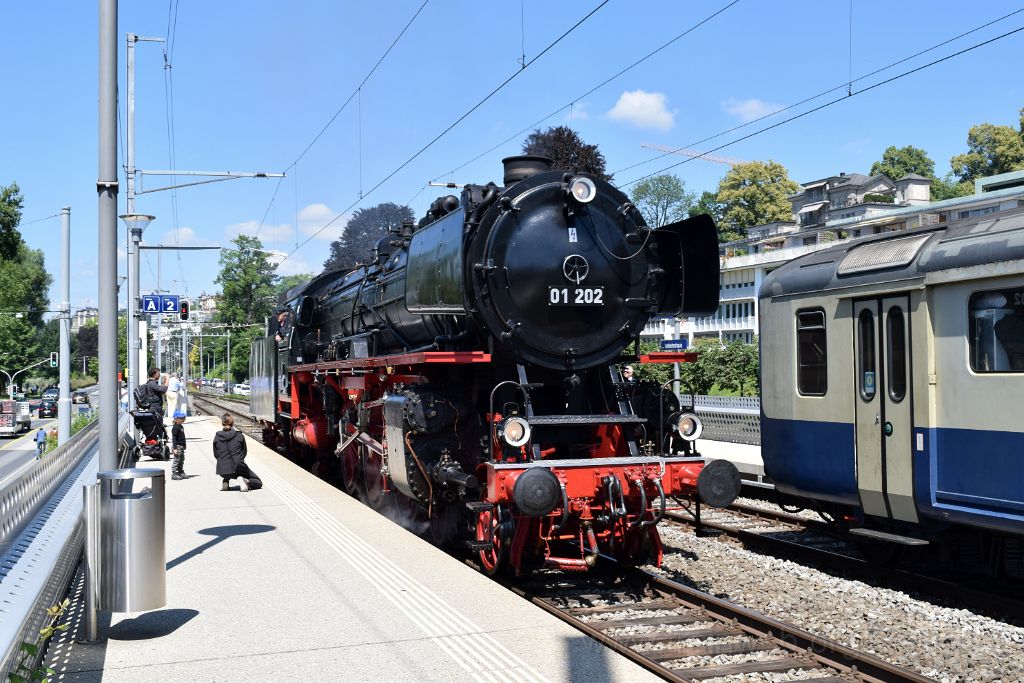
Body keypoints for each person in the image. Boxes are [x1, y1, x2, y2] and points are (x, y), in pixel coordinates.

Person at [213, 413, 260, 491]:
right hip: (238, 467)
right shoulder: (239, 435)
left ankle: (225, 480)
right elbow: (244, 452)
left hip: (222, 470)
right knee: (258, 482)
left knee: (226, 462)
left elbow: (216, 455)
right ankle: (243, 480)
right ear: (232, 423)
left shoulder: (217, 437)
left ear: (222, 423)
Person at [170, 411, 187, 480]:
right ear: (176, 419)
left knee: (181, 459)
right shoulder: (175, 428)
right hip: (177, 446)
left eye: (184, 418)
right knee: (176, 459)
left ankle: (180, 471)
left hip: (181, 446)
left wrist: (184, 445)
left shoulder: (181, 426)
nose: (183, 420)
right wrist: (175, 448)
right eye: (181, 418)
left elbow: (182, 437)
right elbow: (174, 438)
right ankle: (174, 473)